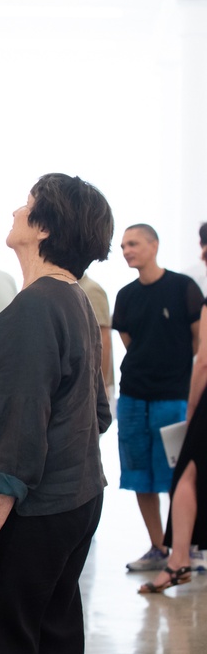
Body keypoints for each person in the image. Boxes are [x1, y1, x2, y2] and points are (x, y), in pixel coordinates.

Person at [0, 173, 114, 654]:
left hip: (36, 510)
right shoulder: (75, 300)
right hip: (78, 499)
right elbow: (98, 412)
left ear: (44, 228)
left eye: (27, 205)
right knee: (52, 641)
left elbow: (20, 433)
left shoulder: (37, 307)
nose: (17, 212)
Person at [113, 223, 203, 572]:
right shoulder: (126, 294)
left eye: (133, 243)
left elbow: (197, 342)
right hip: (134, 396)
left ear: (154, 245)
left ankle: (187, 547)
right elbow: (130, 342)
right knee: (140, 475)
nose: (126, 251)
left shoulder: (183, 287)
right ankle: (157, 547)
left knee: (179, 477)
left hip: (173, 397)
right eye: (122, 246)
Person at [139, 222, 207, 593]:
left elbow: (204, 361)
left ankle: (179, 558)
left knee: (186, 474)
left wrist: (193, 404)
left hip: (194, 396)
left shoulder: (192, 292)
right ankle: (179, 557)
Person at [78, 272, 115, 398]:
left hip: (93, 384)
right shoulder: (70, 288)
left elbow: (103, 337)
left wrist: (101, 384)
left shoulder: (90, 289)